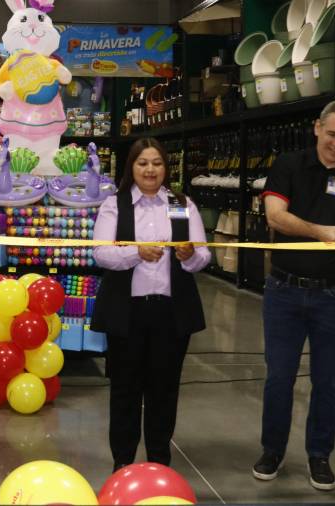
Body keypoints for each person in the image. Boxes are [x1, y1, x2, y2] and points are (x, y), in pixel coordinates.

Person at [254, 100, 335, 491]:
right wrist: (322, 232)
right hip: (284, 292)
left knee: (328, 381)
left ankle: (319, 456)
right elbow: (275, 216)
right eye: (331, 134)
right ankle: (272, 450)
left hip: (334, 295)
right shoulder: (289, 166)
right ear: (317, 128)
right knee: (279, 377)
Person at [90, 137, 210, 471]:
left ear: (166, 167)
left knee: (164, 391)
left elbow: (203, 255)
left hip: (170, 315)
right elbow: (101, 253)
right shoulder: (115, 205)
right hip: (127, 314)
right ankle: (123, 464)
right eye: (143, 163)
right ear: (132, 167)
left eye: (157, 163)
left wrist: (189, 256)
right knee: (125, 391)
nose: (150, 170)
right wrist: (135, 251)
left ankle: (159, 462)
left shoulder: (182, 203)